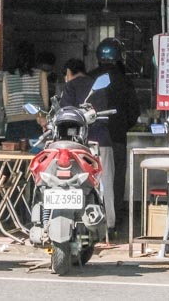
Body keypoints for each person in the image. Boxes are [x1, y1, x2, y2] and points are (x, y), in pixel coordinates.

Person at [56, 58, 115, 231]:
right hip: (102, 140)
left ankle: (80, 223)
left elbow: (64, 113)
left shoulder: (70, 86)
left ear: (68, 72)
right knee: (106, 182)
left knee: (78, 182)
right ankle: (109, 224)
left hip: (79, 145)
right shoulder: (97, 84)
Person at [88, 38, 139, 229]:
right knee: (116, 179)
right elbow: (134, 112)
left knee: (90, 177)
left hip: (91, 139)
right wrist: (123, 126)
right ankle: (113, 219)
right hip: (116, 138)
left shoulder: (89, 77)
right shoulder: (124, 80)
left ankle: (92, 216)